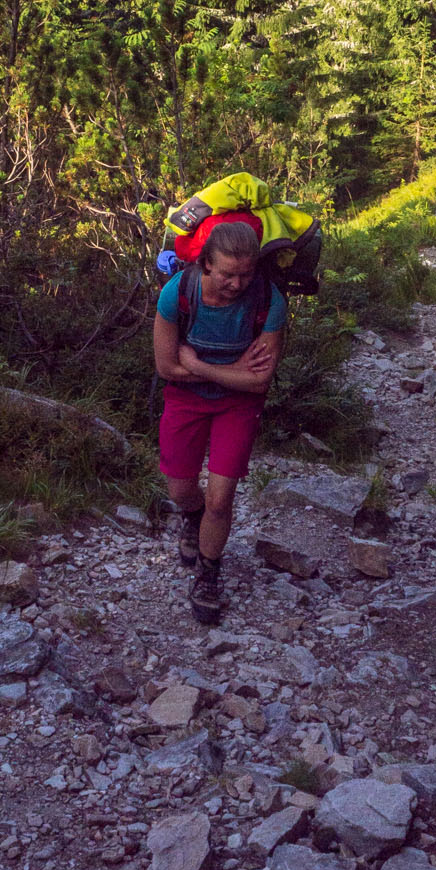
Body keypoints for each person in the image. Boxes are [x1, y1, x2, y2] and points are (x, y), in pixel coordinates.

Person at [153, 219, 286, 624]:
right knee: (180, 490)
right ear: (207, 264)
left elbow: (259, 379)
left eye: (246, 274)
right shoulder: (178, 293)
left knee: (221, 496)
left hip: (238, 407)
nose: (236, 283)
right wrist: (231, 371)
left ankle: (208, 574)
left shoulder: (269, 300)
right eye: (228, 274)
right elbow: (166, 368)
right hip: (185, 400)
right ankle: (192, 521)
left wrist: (197, 362)